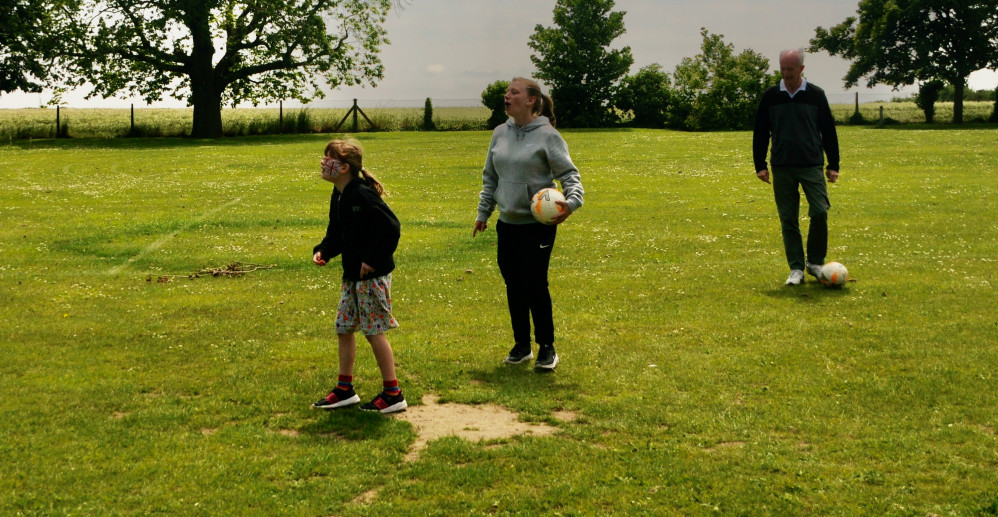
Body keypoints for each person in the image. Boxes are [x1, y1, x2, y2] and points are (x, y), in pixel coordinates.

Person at [473, 77, 584, 370]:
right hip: (507, 224)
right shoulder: (499, 133)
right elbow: (490, 178)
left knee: (535, 284)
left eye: (514, 92)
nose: (507, 96)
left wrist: (571, 203)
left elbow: (570, 175)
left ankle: (547, 346)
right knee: (513, 284)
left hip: (538, 225)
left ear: (531, 99)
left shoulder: (548, 135)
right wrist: (484, 213)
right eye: (507, 92)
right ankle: (522, 344)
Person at [310, 139, 407, 414]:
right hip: (351, 276)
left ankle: (393, 394)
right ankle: (344, 389)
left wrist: (373, 260)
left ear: (342, 168)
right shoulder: (339, 195)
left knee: (373, 331)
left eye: (327, 159)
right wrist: (325, 250)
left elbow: (391, 228)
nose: (322, 162)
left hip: (371, 277)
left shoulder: (361, 194)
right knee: (344, 328)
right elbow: (337, 231)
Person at [753, 48, 840, 286]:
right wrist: (759, 164)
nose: (786, 73)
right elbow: (761, 132)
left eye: (790, 69)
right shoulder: (771, 96)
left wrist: (834, 164)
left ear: (801, 69)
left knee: (820, 211)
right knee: (788, 219)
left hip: (811, 164)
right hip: (781, 166)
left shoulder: (816, 95)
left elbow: (829, 131)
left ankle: (815, 262)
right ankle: (796, 269)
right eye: (782, 68)